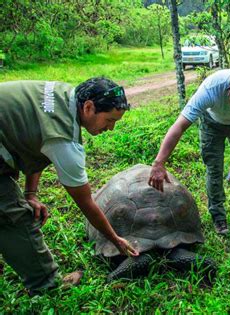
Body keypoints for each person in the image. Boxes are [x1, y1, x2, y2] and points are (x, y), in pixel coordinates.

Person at [0, 77, 139, 295]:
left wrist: (31, 193)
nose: (111, 128)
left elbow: (36, 142)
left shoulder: (65, 95)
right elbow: (86, 203)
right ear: (89, 107)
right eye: (109, 120)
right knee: (14, 216)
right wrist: (115, 239)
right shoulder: (65, 142)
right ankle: (46, 285)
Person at [148, 69, 230, 235]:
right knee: (214, 170)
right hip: (212, 124)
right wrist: (159, 162)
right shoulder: (211, 88)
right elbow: (179, 126)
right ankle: (218, 217)